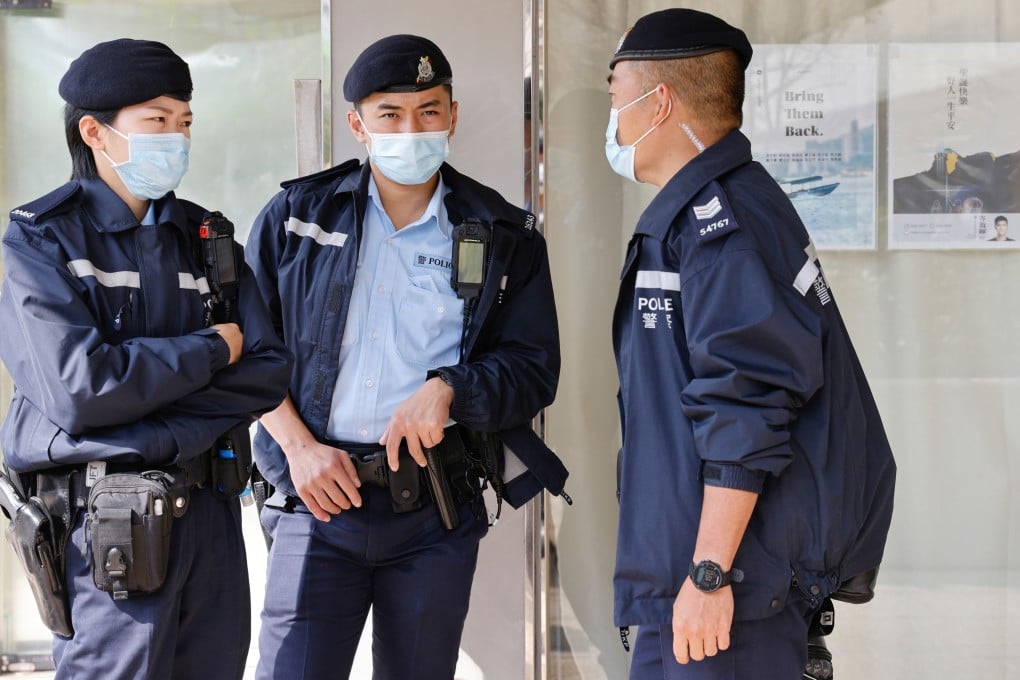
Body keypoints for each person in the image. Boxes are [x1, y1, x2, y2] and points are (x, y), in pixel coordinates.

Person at [245, 34, 566, 679]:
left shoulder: (501, 233)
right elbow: (247, 350)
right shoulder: (296, 217)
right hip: (316, 500)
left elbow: (533, 368)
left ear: (453, 115)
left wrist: (452, 387)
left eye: (428, 110)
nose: (411, 128)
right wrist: (300, 451)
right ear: (357, 124)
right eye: (390, 114)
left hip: (432, 509)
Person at [604, 9, 896, 679]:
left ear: (661, 101)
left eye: (616, 97)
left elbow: (748, 405)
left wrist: (709, 576)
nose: (614, 119)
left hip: (730, 591)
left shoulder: (723, 224)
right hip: (704, 580)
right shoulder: (709, 210)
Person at [0, 39, 293, 679]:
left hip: (211, 514)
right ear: (94, 132)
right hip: (109, 520)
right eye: (157, 121)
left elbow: (268, 370)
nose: (177, 138)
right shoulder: (42, 239)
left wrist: (148, 421)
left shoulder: (206, 240)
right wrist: (213, 348)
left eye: (184, 122)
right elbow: (82, 388)